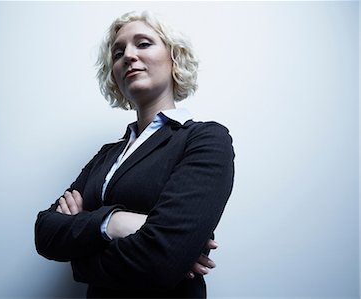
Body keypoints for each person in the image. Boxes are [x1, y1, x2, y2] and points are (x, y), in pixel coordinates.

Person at [35, 11, 235, 298]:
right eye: (118, 52)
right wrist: (114, 222)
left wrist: (80, 254)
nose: (128, 55)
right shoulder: (106, 156)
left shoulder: (205, 139)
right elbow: (46, 232)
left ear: (174, 58)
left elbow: (163, 262)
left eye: (143, 44)